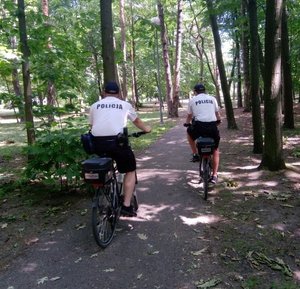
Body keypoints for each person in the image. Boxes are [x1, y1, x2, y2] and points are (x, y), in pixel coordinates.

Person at [89, 81, 151, 216]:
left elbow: (92, 125)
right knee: (130, 170)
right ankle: (127, 206)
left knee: (99, 165)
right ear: (118, 93)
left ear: (103, 92)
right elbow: (137, 122)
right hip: (118, 144)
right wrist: (147, 129)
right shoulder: (125, 105)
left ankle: (102, 189)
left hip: (98, 145)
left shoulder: (94, 106)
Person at [184, 83, 221, 184]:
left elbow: (189, 116)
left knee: (189, 133)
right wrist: (218, 120)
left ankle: (195, 154)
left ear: (195, 92)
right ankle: (214, 175)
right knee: (216, 149)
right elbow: (217, 114)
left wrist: (187, 124)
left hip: (199, 126)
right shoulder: (212, 99)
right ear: (204, 91)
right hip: (212, 126)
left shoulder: (192, 100)